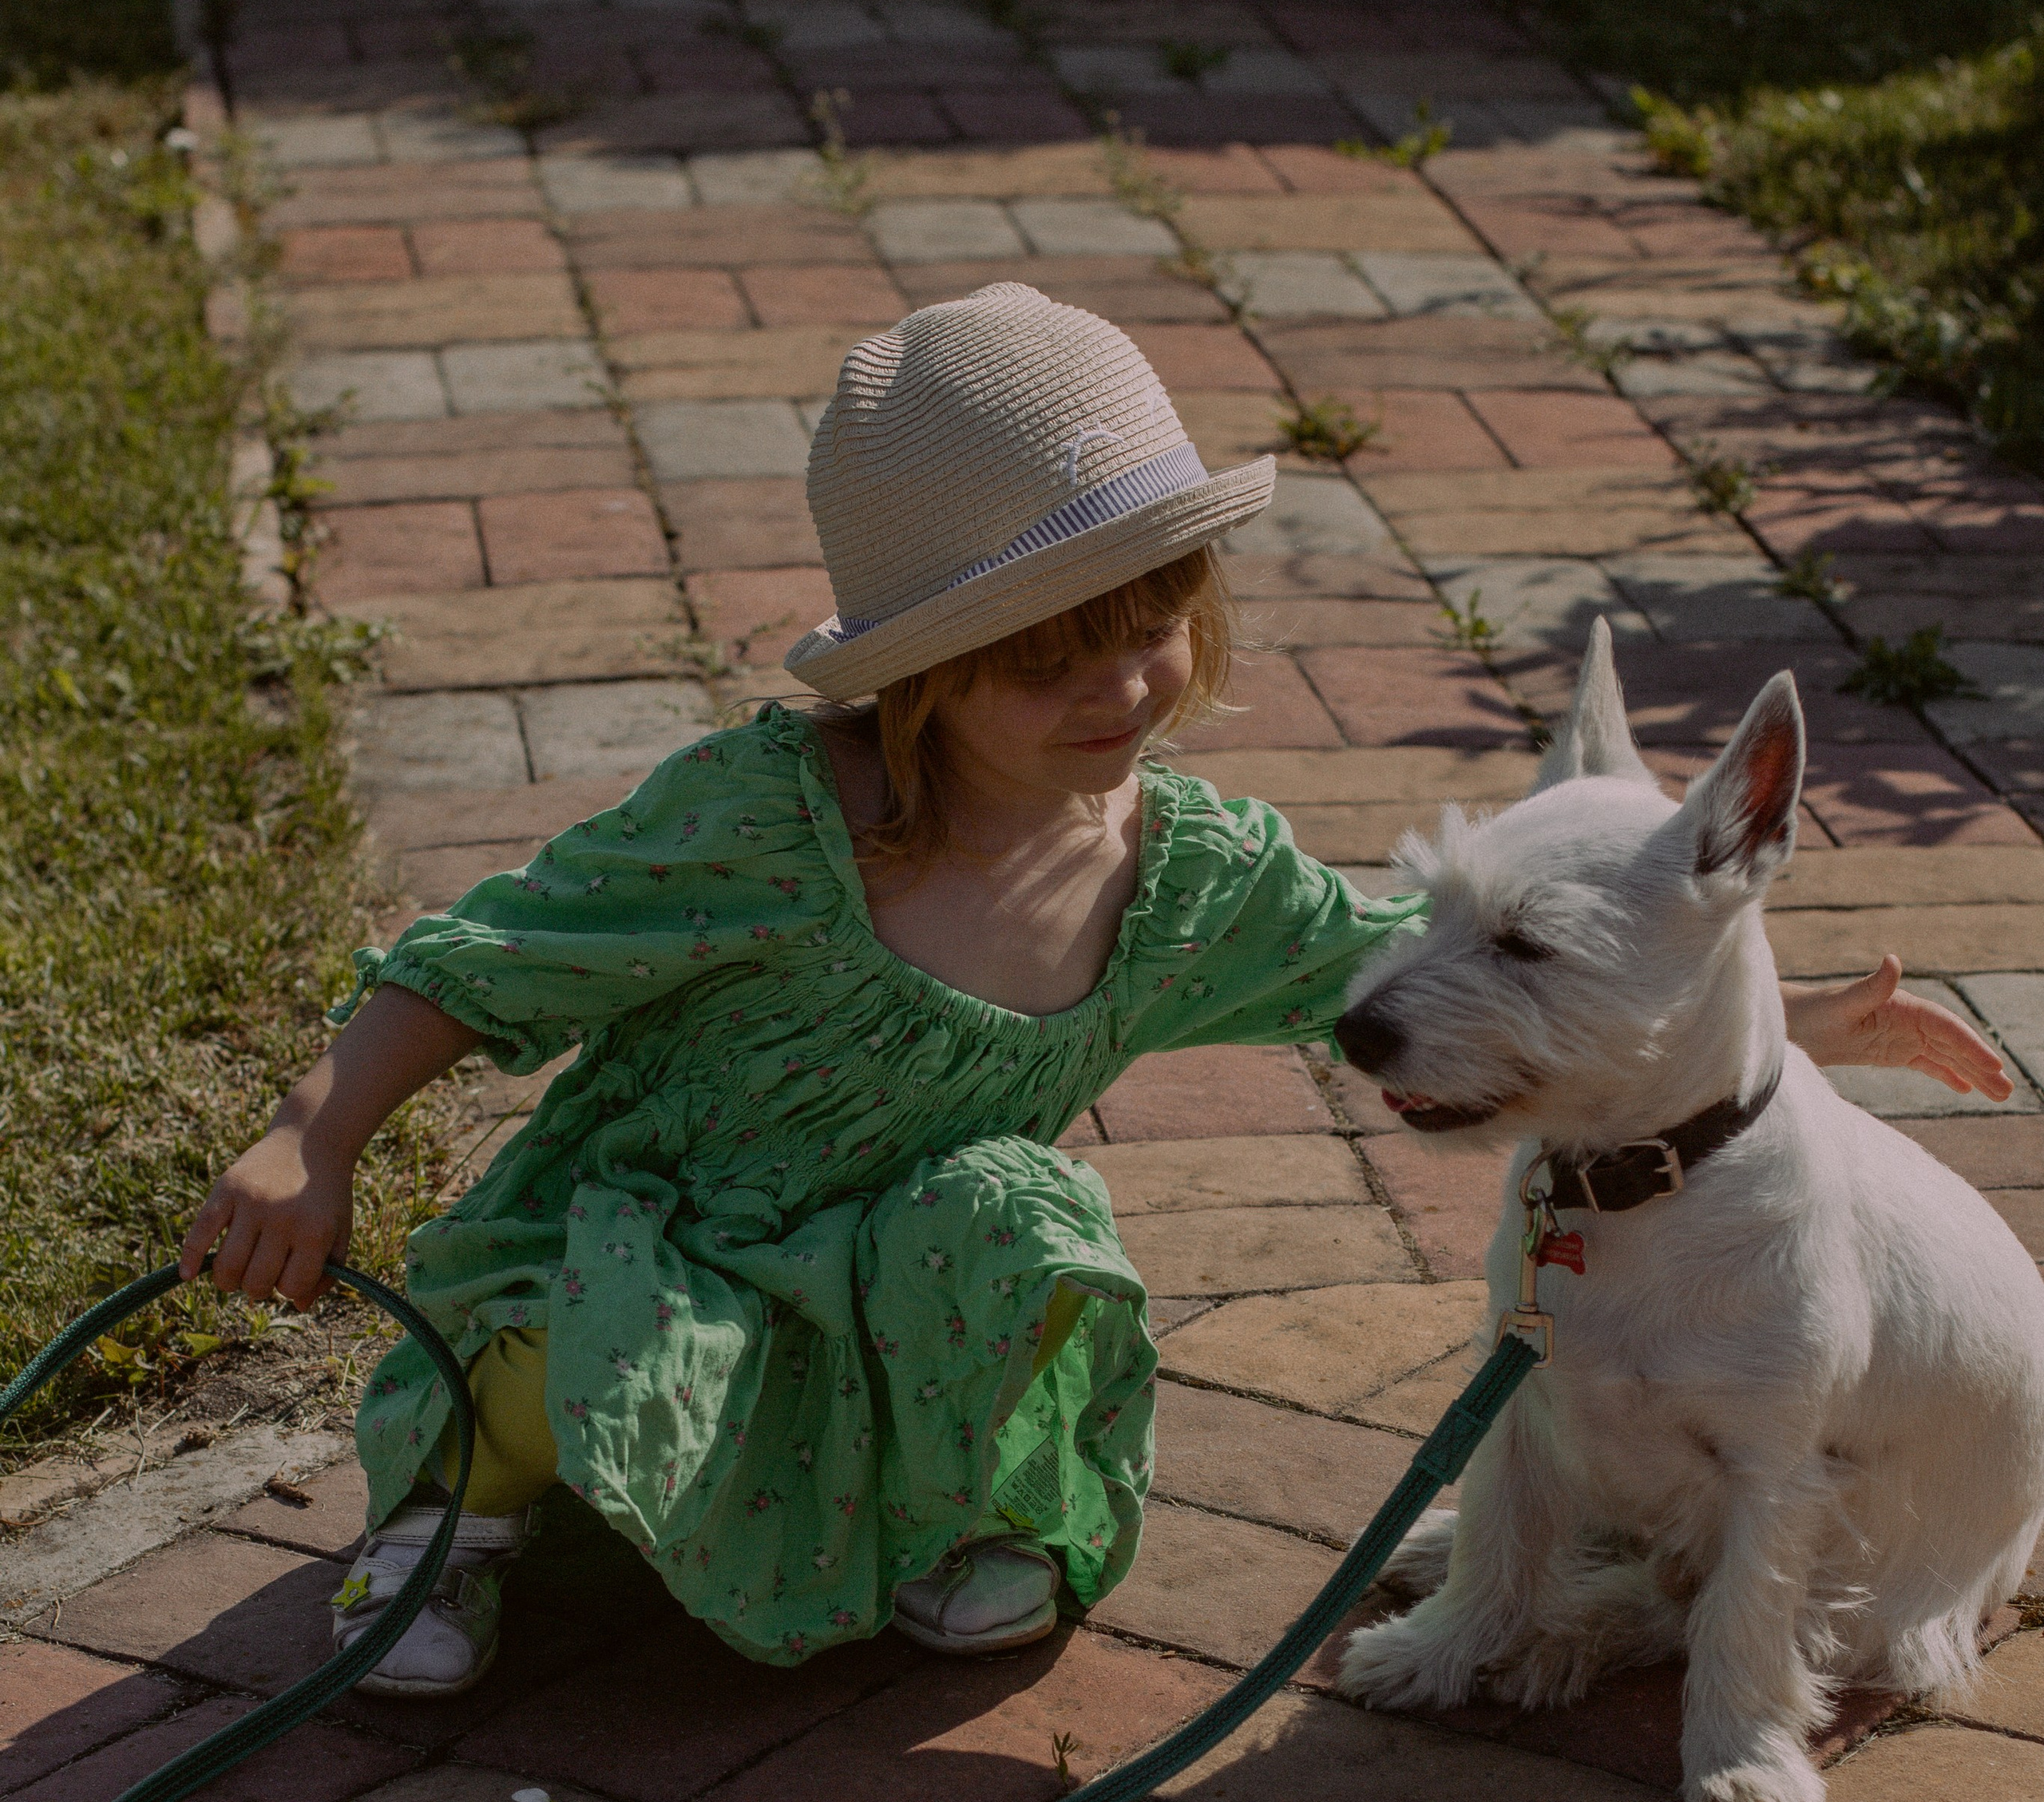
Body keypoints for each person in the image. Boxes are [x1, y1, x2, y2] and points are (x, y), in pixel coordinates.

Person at [178, 284, 2010, 1698]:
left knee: (1018, 1214)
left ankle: (927, 1506)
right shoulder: (758, 828)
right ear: (915, 684)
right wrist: (309, 1130)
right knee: (580, 1319)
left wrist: (1764, 1025)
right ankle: (452, 1523)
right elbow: (487, 961)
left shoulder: (1186, 874)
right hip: (670, 1226)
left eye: (1149, 630)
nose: (1119, 691)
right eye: (1044, 662)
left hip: (885, 1276)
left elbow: (1440, 973)